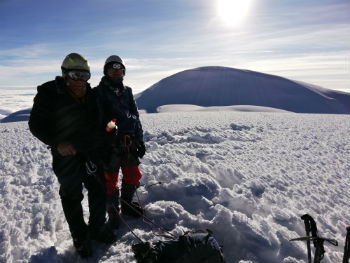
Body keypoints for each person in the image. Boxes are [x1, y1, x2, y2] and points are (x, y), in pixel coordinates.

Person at [28, 53, 115, 258]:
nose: (80, 81)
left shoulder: (91, 95)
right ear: (65, 74)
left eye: (85, 76)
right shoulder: (49, 93)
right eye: (75, 75)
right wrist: (57, 143)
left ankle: (97, 227)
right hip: (66, 154)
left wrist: (109, 134)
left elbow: (103, 121)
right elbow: (36, 124)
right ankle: (80, 236)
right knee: (71, 194)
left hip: (90, 149)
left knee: (98, 189)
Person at [94, 55, 146, 228]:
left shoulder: (128, 91)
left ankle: (127, 204)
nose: (116, 71)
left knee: (133, 176)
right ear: (106, 71)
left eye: (119, 68)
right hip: (109, 145)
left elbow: (135, 117)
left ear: (123, 72)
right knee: (109, 180)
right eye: (112, 68)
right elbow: (94, 121)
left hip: (129, 143)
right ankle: (113, 213)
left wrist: (139, 139)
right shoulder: (98, 92)